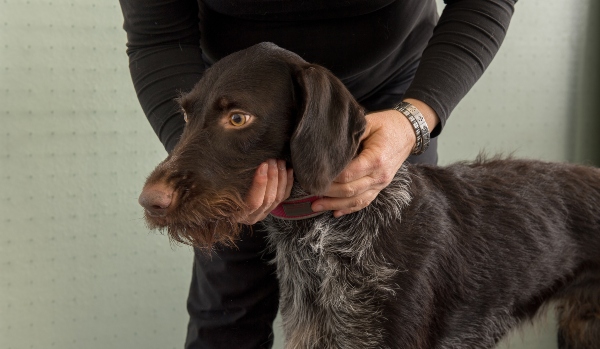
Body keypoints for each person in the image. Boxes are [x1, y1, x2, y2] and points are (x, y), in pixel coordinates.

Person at [119, 0, 518, 347]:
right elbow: (156, 38)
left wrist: (413, 118)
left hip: (391, 100)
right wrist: (196, 150)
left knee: (401, 319)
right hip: (240, 113)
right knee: (225, 318)